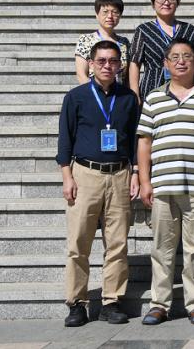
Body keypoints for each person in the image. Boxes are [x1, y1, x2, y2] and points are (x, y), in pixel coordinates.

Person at [136, 39, 194, 325]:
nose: (181, 61)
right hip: (162, 186)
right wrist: (145, 181)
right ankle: (159, 304)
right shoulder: (154, 98)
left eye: (187, 56)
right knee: (161, 249)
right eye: (174, 57)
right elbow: (144, 142)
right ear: (166, 63)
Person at [58, 40, 140, 327]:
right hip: (85, 174)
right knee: (78, 243)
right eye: (102, 61)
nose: (107, 66)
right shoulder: (76, 96)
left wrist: (136, 173)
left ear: (120, 65)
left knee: (117, 243)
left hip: (119, 175)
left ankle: (111, 301)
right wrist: (67, 176)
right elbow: (65, 138)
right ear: (91, 64)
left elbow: (134, 138)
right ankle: (77, 303)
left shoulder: (128, 98)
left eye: (113, 61)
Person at [129, 0, 194, 101]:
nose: (166, 3)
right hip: (153, 88)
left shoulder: (189, 30)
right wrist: (135, 94)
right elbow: (135, 64)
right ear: (153, 3)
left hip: (186, 89)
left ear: (178, 2)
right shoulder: (143, 30)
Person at [74, 0, 130, 85]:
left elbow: (127, 77)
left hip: (120, 92)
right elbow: (81, 75)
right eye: (105, 12)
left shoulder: (124, 42)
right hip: (94, 91)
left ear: (120, 15)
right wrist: (94, 92)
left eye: (115, 12)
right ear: (97, 14)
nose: (110, 16)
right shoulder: (86, 40)